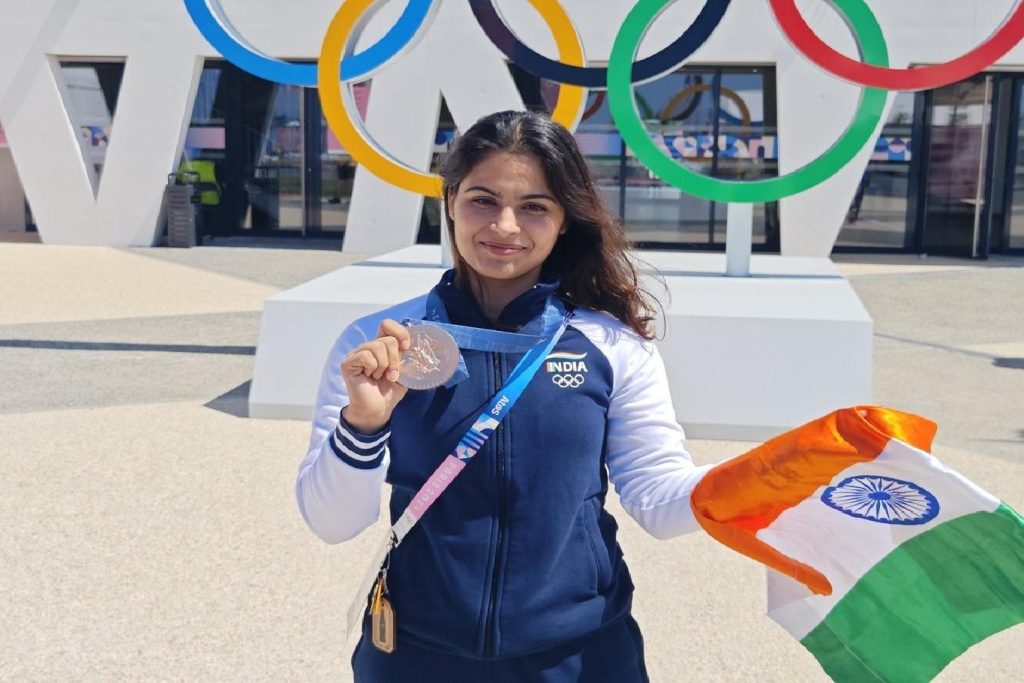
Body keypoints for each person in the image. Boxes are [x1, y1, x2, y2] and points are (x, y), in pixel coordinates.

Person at [296, 110, 711, 681]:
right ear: (449, 202)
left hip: (580, 654)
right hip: (417, 651)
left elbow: (660, 499)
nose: (506, 227)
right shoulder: (379, 343)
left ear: (566, 220)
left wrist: (769, 477)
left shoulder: (609, 344)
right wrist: (361, 427)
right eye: (483, 200)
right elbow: (331, 522)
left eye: (535, 206)